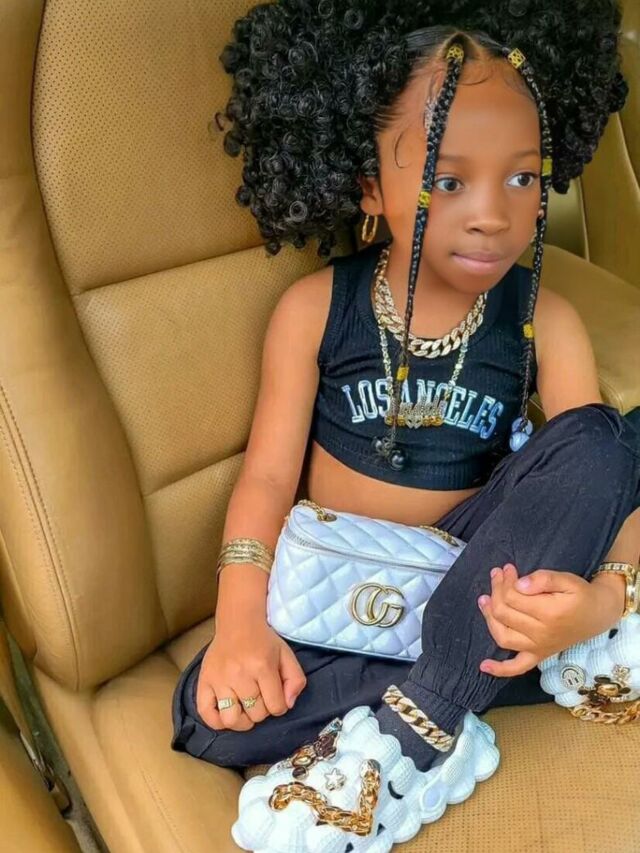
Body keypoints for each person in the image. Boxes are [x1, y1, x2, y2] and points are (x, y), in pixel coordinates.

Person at [172, 1, 640, 848]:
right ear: (367, 185)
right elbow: (268, 478)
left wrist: (602, 596)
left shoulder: (545, 319)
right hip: (349, 602)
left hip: (480, 576)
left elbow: (597, 480)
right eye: (448, 182)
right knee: (209, 721)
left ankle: (418, 730)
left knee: (608, 437)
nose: (493, 213)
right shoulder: (316, 309)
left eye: (523, 178)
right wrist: (240, 621)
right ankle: (477, 679)